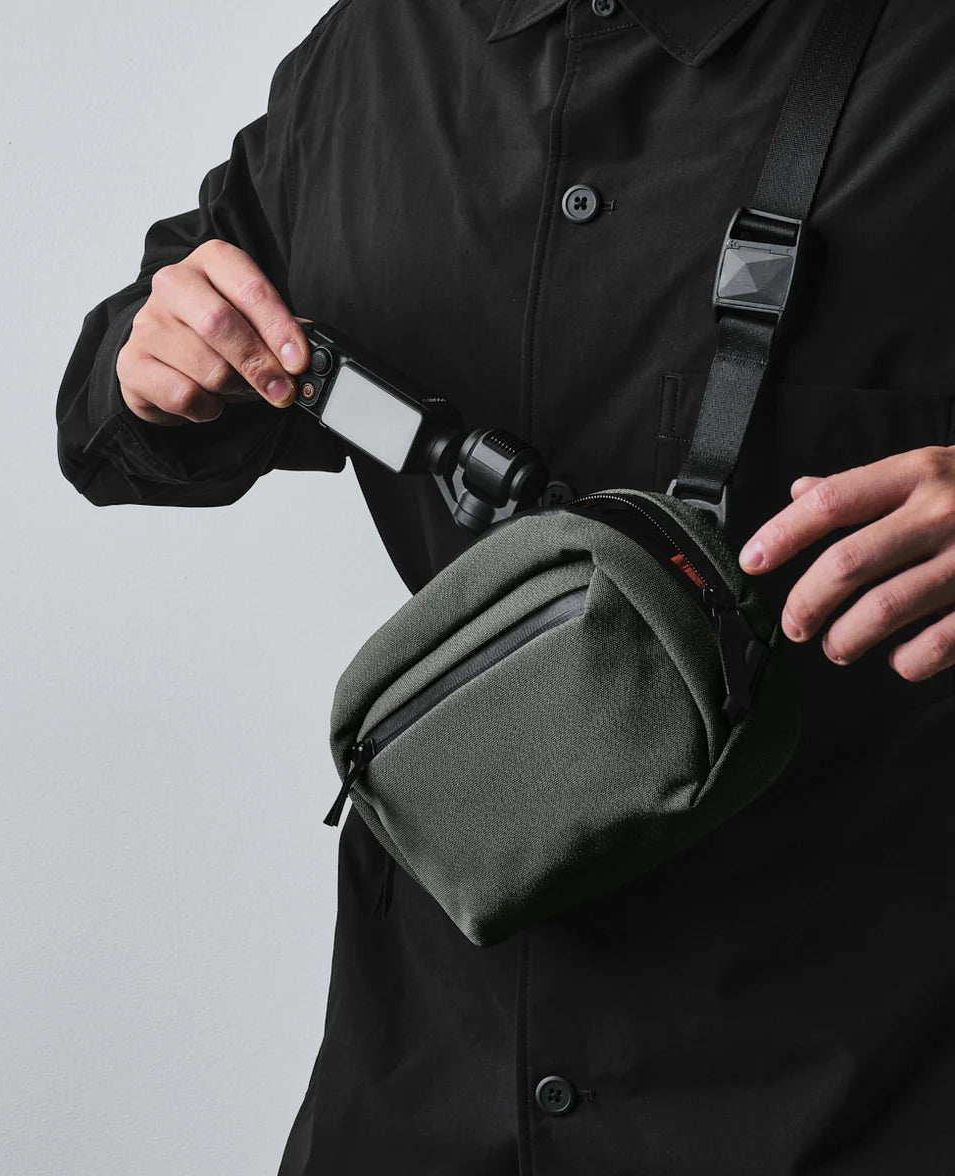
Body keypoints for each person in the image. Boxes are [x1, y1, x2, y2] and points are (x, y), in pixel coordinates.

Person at [56, 0, 955, 1171]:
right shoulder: (370, 53)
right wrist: (152, 362)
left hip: (856, 1082)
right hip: (422, 1068)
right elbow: (119, 405)